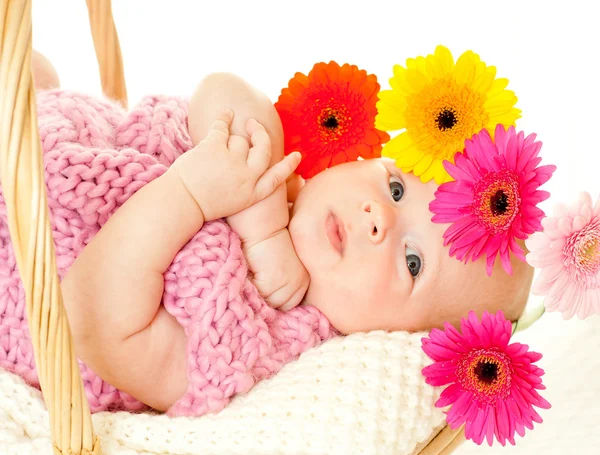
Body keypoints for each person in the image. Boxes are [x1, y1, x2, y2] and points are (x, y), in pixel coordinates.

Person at [30, 54, 533, 412]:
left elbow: (90, 318)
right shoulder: (285, 175)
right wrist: (262, 226)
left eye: (413, 262)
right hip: (62, 138)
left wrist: (188, 194)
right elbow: (223, 89)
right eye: (397, 187)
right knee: (33, 73)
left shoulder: (254, 353)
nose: (378, 214)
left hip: (29, 250)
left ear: (394, 341)